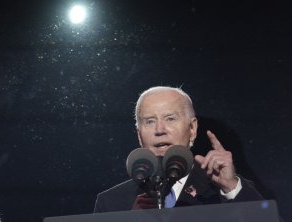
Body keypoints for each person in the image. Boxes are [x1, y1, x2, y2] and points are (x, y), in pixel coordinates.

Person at [94, 86, 263, 213]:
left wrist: (230, 187)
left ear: (192, 128)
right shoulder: (111, 203)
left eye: (170, 118)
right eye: (150, 121)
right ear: (139, 135)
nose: (160, 130)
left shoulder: (224, 189)